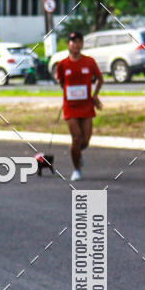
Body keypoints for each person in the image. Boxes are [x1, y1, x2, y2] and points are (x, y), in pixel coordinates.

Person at [56, 31, 103, 181]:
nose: (76, 44)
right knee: (76, 137)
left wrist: (95, 95)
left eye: (79, 41)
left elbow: (99, 78)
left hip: (86, 105)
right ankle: (76, 169)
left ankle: (76, 152)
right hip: (70, 106)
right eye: (73, 41)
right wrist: (69, 93)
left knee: (85, 140)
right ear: (68, 44)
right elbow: (62, 82)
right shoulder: (62, 64)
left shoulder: (89, 62)